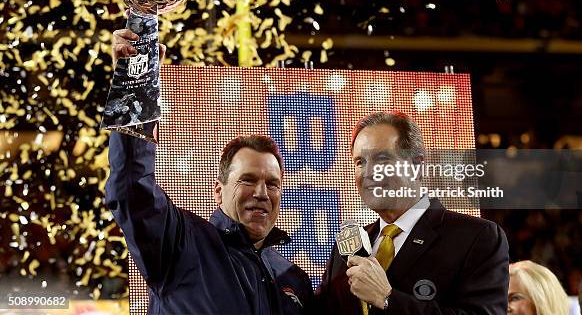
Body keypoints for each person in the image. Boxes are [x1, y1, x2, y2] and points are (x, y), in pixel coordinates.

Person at [105, 30, 312, 314]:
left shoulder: (294, 280)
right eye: (248, 180)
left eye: (272, 184)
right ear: (219, 191)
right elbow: (131, 186)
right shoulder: (180, 243)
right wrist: (134, 85)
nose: (262, 193)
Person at [314, 111, 509, 314]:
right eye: (360, 162)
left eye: (381, 159)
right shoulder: (346, 249)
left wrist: (387, 298)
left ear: (417, 166)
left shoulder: (477, 237)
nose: (368, 172)